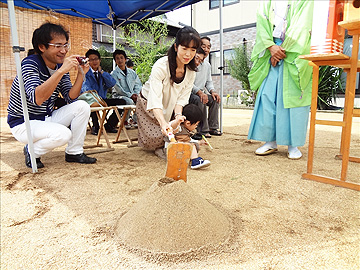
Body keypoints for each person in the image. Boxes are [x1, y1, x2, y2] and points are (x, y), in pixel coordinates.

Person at [7, 22, 97, 168]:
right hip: (23, 122)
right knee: (63, 134)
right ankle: (31, 150)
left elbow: (70, 97)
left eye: (65, 45)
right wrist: (60, 72)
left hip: (46, 118)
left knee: (82, 106)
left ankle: (74, 152)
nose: (64, 50)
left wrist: (81, 74)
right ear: (42, 47)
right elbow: (38, 98)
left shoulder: (60, 66)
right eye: (58, 46)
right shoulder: (30, 64)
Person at [247, 1, 314, 159]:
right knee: (268, 96)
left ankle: (293, 144)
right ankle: (270, 141)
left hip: (294, 51)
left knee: (292, 97)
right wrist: (271, 47)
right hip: (271, 51)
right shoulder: (266, 2)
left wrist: (282, 50)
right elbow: (262, 26)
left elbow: (303, 25)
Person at [136, 26, 201, 159]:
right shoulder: (161, 66)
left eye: (193, 50)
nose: (188, 54)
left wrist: (178, 116)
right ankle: (161, 148)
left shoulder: (191, 72)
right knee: (158, 136)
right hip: (149, 105)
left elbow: (182, 99)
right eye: (184, 48)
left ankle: (173, 147)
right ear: (176, 47)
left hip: (170, 105)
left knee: (174, 130)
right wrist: (163, 122)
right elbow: (155, 98)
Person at [80, 49, 126, 135]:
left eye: (96, 59)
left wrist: (102, 73)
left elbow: (112, 83)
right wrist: (96, 98)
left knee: (122, 102)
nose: (94, 61)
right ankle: (95, 126)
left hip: (103, 99)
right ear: (88, 61)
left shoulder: (102, 73)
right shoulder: (85, 73)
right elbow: (86, 89)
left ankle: (109, 125)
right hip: (91, 100)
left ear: (100, 60)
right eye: (91, 59)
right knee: (93, 103)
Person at [189, 46, 221, 139]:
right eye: (197, 58)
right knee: (201, 99)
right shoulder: (188, 64)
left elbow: (208, 82)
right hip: (189, 93)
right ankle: (203, 130)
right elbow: (188, 83)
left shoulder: (207, 65)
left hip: (200, 92)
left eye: (209, 47)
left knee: (215, 99)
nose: (198, 62)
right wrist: (199, 92)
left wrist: (212, 91)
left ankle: (213, 127)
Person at [169, 104, 210, 169]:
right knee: (192, 146)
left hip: (177, 149)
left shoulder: (185, 130)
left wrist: (199, 142)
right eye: (196, 125)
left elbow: (188, 139)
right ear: (188, 123)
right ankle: (195, 161)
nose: (196, 127)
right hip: (172, 150)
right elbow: (171, 126)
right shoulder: (179, 128)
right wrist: (177, 121)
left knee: (194, 145)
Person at [111, 50, 142, 128]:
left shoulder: (132, 72)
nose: (120, 60)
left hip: (133, 95)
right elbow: (118, 89)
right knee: (129, 101)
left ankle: (134, 120)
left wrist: (136, 94)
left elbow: (138, 85)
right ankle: (124, 121)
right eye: (117, 58)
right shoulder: (113, 74)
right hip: (119, 96)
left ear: (125, 59)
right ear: (115, 61)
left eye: (122, 58)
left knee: (142, 100)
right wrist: (130, 95)